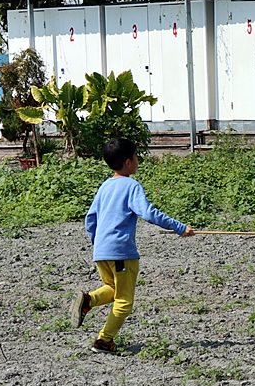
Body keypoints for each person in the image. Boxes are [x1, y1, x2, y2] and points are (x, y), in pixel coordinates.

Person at [69, 137, 194, 354]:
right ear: (128, 162)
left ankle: (89, 300)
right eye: (136, 157)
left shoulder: (105, 186)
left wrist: (98, 243)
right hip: (122, 253)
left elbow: (90, 219)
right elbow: (148, 212)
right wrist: (179, 227)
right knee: (124, 301)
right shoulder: (131, 186)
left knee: (113, 289)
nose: (137, 160)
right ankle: (104, 341)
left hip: (101, 252)